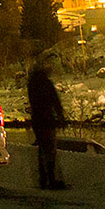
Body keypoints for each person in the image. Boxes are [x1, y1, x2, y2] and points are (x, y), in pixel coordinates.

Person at [27, 60, 67, 190]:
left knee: (42, 149)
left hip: (37, 121)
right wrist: (60, 117)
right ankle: (52, 178)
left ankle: (43, 178)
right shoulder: (47, 84)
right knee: (50, 149)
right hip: (48, 120)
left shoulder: (32, 85)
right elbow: (55, 101)